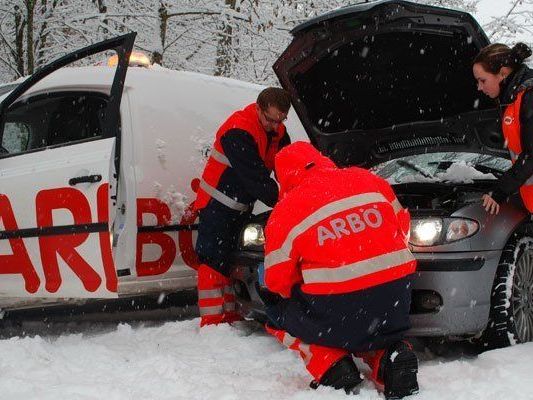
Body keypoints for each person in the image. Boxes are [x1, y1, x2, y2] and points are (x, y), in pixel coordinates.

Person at [260, 141, 418, 399]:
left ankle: (331, 364)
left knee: (277, 313)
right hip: (395, 301)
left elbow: (277, 281)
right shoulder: (367, 178)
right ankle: (390, 355)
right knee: (372, 329)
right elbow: (403, 227)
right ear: (321, 158)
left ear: (283, 176)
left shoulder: (286, 210)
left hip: (338, 308)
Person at [194, 87, 292, 327]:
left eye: (281, 120)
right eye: (270, 119)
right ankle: (213, 321)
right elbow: (257, 179)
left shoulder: (278, 131)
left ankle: (230, 316)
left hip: (240, 207)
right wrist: (287, 203)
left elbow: (287, 165)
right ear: (257, 109)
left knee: (230, 260)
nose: (275, 126)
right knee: (213, 260)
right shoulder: (238, 131)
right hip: (216, 205)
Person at [472, 42, 533, 215]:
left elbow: (531, 155)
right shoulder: (513, 100)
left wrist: (499, 191)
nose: (479, 87)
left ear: (503, 73)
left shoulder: (529, 97)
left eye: (482, 80)